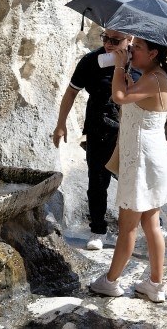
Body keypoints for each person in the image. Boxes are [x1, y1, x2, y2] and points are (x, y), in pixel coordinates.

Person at [89, 38, 167, 303]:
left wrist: (117, 67)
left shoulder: (155, 78)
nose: (130, 49)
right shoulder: (153, 75)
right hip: (149, 157)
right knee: (150, 223)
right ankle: (155, 285)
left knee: (128, 226)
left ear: (153, 53)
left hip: (141, 159)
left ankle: (110, 281)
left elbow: (120, 97)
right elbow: (129, 98)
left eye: (136, 47)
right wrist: (124, 71)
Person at [53, 29, 136, 250]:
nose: (109, 44)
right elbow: (71, 92)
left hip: (131, 129)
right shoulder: (91, 61)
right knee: (97, 181)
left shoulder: (139, 61)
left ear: (130, 40)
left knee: (136, 180)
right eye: (105, 38)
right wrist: (61, 123)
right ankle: (98, 230)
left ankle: (151, 226)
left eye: (115, 40)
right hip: (99, 127)